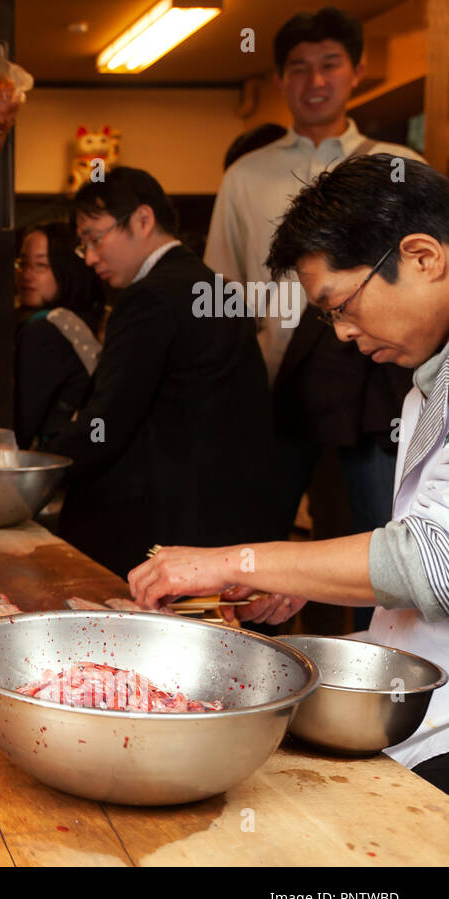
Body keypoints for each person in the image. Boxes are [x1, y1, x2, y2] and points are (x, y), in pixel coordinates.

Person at [131, 154, 449, 793]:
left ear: (421, 256)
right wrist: (303, 581)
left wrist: (236, 562)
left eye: (341, 305)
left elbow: (433, 561)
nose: (339, 334)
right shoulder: (420, 387)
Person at [204, 7, 425, 631]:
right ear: (279, 80)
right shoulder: (246, 176)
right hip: (277, 393)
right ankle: (252, 673)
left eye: (331, 64)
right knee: (261, 548)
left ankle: (372, 678)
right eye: (299, 68)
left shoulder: (397, 163)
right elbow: (226, 298)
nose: (316, 81)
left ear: (357, 71)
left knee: (379, 534)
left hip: (385, 388)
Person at [45, 167, 277, 578]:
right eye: (84, 247)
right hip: (227, 515)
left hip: (164, 524)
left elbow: (109, 421)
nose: (92, 257)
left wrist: (42, 468)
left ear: (142, 219)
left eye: (95, 238)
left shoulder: (149, 296)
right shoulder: (217, 287)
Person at [14, 220, 106, 450]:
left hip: (56, 465)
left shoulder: (45, 328)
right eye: (22, 264)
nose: (27, 275)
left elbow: (24, 421)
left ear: (66, 269)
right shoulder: (90, 321)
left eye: (40, 266)